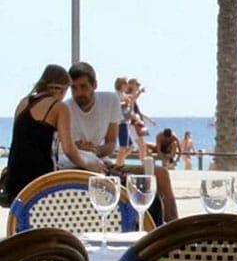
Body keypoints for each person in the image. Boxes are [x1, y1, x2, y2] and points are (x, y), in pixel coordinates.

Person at [61, 62, 178, 222]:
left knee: (161, 174)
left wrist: (95, 151)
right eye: (74, 88)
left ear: (95, 84)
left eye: (83, 87)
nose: (79, 93)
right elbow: (67, 151)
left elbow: (110, 145)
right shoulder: (65, 109)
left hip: (102, 162)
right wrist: (82, 152)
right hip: (80, 168)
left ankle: (175, 231)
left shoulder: (109, 101)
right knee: (144, 191)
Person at [3, 64, 94, 204]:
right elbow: (69, 150)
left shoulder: (23, 102)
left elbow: (28, 140)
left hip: (14, 182)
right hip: (39, 182)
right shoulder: (58, 107)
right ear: (63, 88)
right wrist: (89, 165)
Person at [113, 76, 136, 167]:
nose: (127, 85)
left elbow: (133, 97)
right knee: (123, 147)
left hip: (125, 122)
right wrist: (125, 103)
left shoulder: (123, 95)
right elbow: (116, 104)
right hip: (120, 123)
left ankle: (119, 162)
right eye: (125, 83)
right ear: (121, 84)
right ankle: (118, 165)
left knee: (131, 147)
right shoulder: (117, 95)